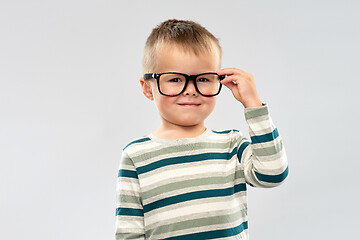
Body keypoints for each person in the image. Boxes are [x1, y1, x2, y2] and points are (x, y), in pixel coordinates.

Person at [115, 19, 288, 240]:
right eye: (176, 79)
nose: (190, 90)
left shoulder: (232, 145)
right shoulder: (135, 156)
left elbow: (273, 174)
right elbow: (129, 233)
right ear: (148, 88)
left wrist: (253, 104)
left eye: (203, 79)